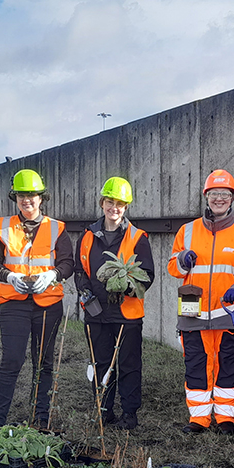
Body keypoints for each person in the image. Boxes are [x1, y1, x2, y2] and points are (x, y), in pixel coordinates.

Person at [168, 169, 234, 435]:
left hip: (231, 312)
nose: (219, 198)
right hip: (193, 313)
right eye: (214, 194)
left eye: (224, 194)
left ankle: (225, 419)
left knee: (228, 367)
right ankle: (199, 419)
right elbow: (172, 267)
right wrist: (181, 259)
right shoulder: (187, 231)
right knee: (197, 365)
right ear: (206, 196)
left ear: (232, 198)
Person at [0, 169, 74, 430]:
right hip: (14, 301)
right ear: (15, 197)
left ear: (41, 197)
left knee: (44, 361)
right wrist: (7, 276)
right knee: (12, 359)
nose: (27, 200)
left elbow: (68, 262)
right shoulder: (2, 227)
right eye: (22, 195)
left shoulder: (57, 228)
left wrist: (54, 275)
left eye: (32, 195)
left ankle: (41, 417)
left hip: (48, 304)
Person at [74, 177, 155, 430]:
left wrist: (126, 288)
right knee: (101, 363)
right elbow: (80, 271)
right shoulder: (87, 236)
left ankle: (130, 414)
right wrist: (86, 294)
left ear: (126, 207)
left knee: (129, 365)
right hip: (96, 314)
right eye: (110, 202)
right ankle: (104, 410)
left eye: (120, 203)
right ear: (102, 203)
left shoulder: (137, 237)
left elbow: (147, 275)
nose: (114, 208)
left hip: (127, 314)